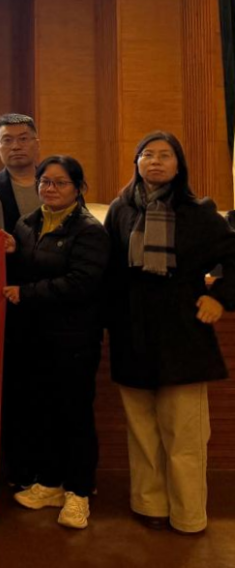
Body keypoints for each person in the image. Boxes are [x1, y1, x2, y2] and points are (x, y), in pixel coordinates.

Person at [104, 131, 235, 535]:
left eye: (165, 155)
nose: (156, 161)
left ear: (179, 166)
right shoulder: (120, 210)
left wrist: (221, 297)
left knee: (185, 434)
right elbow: (109, 269)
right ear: (137, 163)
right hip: (132, 332)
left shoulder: (199, 213)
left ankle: (189, 514)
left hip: (183, 334)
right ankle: (149, 505)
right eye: (148, 154)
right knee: (142, 430)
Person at [3, 155, 108, 530]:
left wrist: (27, 293)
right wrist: (9, 250)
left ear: (78, 188)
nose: (51, 189)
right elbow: (21, 270)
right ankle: (49, 483)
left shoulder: (89, 230)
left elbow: (82, 283)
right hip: (34, 338)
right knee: (42, 411)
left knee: (75, 415)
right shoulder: (27, 224)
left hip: (73, 339)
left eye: (61, 183)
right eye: (45, 182)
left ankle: (79, 492)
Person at [0, 113, 42, 233]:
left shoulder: (58, 183)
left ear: (37, 144)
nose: (16, 146)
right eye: (7, 140)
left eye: (23, 139)